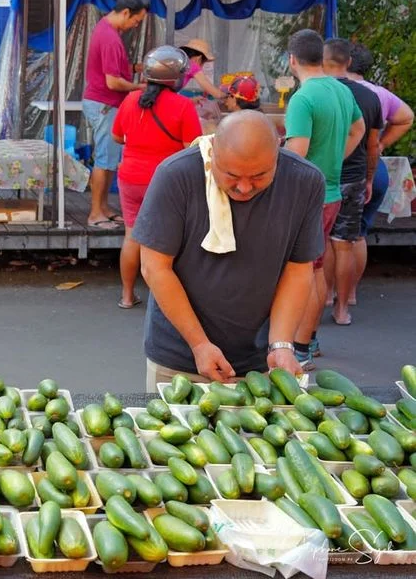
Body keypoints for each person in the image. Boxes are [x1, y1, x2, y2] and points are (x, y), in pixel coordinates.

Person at [133, 111, 324, 389]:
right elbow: (155, 268)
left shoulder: (304, 181)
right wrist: (199, 344)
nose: (244, 187)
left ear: (278, 151)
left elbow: (297, 270)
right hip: (179, 358)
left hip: (260, 362)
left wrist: (281, 344)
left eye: (259, 176)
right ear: (213, 152)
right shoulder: (176, 175)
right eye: (231, 175)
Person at [282, 29, 364, 371]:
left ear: (292, 60)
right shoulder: (341, 89)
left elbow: (297, 153)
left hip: (305, 197)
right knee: (315, 267)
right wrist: (334, 159)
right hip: (330, 191)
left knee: (306, 272)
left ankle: (301, 346)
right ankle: (309, 339)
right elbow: (358, 129)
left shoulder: (303, 98)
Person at [111, 46, 202, 310]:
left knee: (132, 236)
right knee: (167, 240)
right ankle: (164, 300)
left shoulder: (131, 100)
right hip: (165, 180)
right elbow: (193, 147)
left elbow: (117, 136)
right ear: (177, 77)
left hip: (130, 178)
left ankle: (127, 296)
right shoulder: (183, 106)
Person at [321, 38, 382, 327]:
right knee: (344, 243)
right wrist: (369, 178)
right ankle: (343, 309)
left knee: (321, 242)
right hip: (354, 177)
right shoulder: (370, 97)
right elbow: (373, 145)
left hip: (323, 177)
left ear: (323, 62)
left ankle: (324, 296)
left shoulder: (317, 93)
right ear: (348, 62)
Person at [346, 43, 414, 304]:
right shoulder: (379, 93)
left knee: (335, 237)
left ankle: (331, 293)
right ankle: (351, 293)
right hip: (376, 169)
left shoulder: (337, 90)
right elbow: (407, 117)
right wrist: (382, 143)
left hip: (348, 169)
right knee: (359, 233)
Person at [81, 0, 149, 229]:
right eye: (136, 21)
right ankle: (95, 214)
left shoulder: (106, 29)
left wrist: (136, 67)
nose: (135, 26)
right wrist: (139, 87)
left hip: (105, 104)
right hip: (104, 104)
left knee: (109, 158)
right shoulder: (110, 37)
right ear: (126, 12)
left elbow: (113, 68)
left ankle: (104, 207)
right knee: (104, 159)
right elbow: (112, 82)